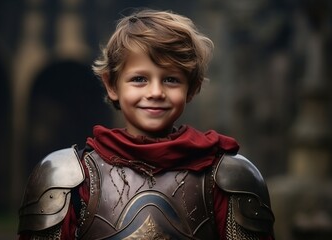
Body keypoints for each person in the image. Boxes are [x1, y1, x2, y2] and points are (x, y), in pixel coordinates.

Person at [18, 8, 275, 240]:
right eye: (139, 79)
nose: (155, 92)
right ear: (112, 85)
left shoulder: (228, 177)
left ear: (192, 88)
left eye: (171, 79)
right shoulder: (70, 177)